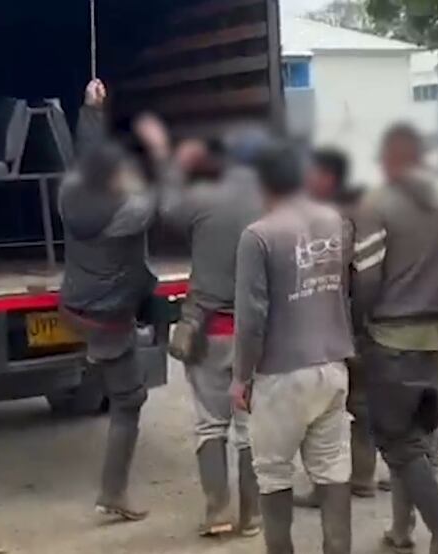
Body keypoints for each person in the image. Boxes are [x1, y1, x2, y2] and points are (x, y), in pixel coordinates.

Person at [230, 140, 355, 554]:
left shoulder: (258, 235)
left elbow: (251, 318)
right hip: (332, 365)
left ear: (261, 183)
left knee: (273, 474)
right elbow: (342, 290)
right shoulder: (335, 221)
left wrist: (240, 378)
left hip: (281, 374)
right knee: (332, 470)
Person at [352, 124, 438, 554]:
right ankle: (401, 530)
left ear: (390, 158)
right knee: (418, 444)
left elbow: (367, 279)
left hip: (392, 341)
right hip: (437, 341)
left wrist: (357, 328)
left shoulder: (376, 204)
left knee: (399, 444)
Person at [158, 128, 269, 537]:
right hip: (255, 334)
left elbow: (164, 209)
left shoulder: (202, 197)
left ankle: (217, 511)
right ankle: (252, 516)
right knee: (249, 427)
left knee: (210, 424)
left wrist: (177, 165)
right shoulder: (271, 202)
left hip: (207, 330)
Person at [58, 79, 160, 521]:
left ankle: (97, 373)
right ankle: (113, 493)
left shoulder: (72, 192)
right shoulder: (127, 213)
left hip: (76, 306)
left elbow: (88, 153)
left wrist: (91, 110)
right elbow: (158, 200)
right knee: (129, 401)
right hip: (108, 319)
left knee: (120, 382)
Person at [294, 147, 380, 510]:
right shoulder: (369, 209)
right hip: (369, 323)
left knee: (324, 407)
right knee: (361, 403)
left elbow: (331, 275)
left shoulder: (335, 218)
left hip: (343, 324)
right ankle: (363, 476)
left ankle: (328, 484)